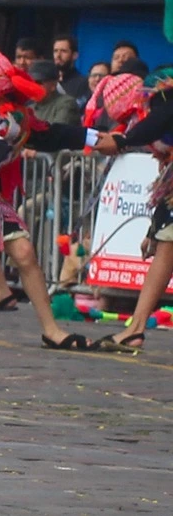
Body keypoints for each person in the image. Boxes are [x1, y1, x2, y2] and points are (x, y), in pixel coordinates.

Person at [0, 47, 97, 350]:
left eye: (5, 97)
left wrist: (95, 138)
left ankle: (51, 330)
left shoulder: (19, 119)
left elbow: (49, 134)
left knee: (25, 252)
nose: (1, 105)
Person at [92, 73, 173, 352]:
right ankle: (136, 327)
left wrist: (122, 140)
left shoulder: (164, 101)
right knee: (166, 247)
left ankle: (136, 328)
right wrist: (154, 228)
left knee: (166, 248)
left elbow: (157, 123)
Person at [27, 58, 78, 125]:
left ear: (53, 85)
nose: (32, 87)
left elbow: (57, 131)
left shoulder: (66, 103)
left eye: (38, 83)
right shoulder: (29, 109)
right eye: (30, 83)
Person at [52, 32, 91, 103]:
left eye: (63, 51)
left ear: (75, 55)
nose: (58, 55)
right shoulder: (47, 81)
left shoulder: (83, 83)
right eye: (55, 51)